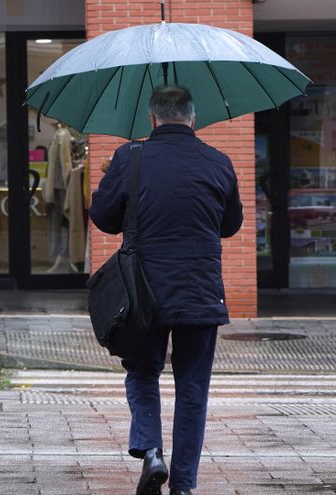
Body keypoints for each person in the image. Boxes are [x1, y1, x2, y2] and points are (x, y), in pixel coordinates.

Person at [90, 86, 243, 495]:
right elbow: (230, 226)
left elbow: (104, 219)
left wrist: (110, 181)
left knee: (142, 372)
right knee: (193, 388)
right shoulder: (219, 162)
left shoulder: (130, 158)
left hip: (143, 296)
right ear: (193, 119)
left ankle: (152, 451)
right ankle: (184, 486)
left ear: (152, 119)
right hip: (201, 293)